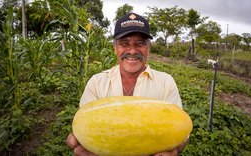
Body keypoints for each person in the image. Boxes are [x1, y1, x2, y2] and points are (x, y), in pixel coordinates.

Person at [66, 12, 188, 156]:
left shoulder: (166, 82)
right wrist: (76, 139)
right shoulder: (97, 82)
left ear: (148, 48)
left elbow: (181, 132)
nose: (132, 51)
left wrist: (176, 149)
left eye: (140, 44)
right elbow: (83, 126)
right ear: (115, 48)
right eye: (124, 43)